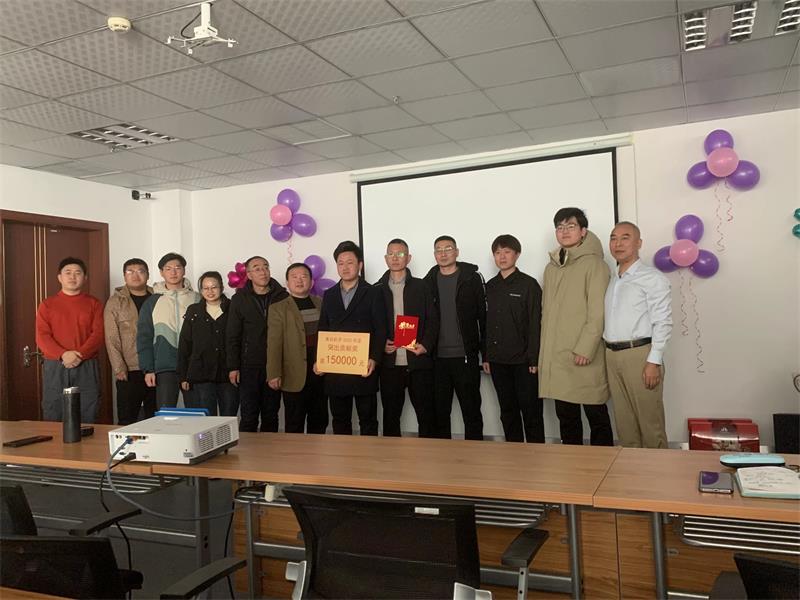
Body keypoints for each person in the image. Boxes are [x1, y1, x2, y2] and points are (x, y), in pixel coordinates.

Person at [539, 208, 613, 446]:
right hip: (557, 355)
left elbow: (598, 312)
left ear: (583, 231)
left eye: (570, 226)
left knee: (595, 413)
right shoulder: (552, 267)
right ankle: (571, 463)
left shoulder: (595, 264)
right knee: (566, 417)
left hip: (582, 354)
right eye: (560, 227)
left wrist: (585, 348)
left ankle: (603, 462)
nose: (564, 232)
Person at [604, 222, 673, 448]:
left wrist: (654, 361)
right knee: (625, 425)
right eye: (613, 238)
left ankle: (657, 470)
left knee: (650, 424)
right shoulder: (613, 279)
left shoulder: (652, 278)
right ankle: (630, 470)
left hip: (640, 355)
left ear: (639, 243)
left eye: (625, 238)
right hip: (612, 355)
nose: (618, 244)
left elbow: (663, 322)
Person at [316, 241, 386, 436]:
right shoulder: (329, 294)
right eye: (340, 263)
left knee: (368, 420)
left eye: (350, 262)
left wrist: (374, 358)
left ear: (360, 265)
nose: (345, 267)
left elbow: (381, 329)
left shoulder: (373, 292)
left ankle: (368, 456)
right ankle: (343, 456)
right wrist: (320, 359)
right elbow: (323, 328)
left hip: (363, 365)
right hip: (336, 368)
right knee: (340, 420)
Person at [423, 235, 486, 441]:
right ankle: (443, 456)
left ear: (456, 252)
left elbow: (483, 317)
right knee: (440, 413)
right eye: (439, 250)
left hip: (466, 357)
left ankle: (474, 452)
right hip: (437, 359)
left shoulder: (472, 278)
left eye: (448, 249)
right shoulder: (428, 282)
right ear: (434, 255)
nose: (443, 253)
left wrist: (485, 354)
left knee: (471, 411)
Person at [483, 235, 544, 443]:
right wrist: (487, 356)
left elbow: (535, 323)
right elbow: (486, 324)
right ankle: (514, 452)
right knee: (507, 411)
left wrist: (534, 358)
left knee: (531, 411)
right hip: (498, 361)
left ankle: (536, 451)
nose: (502, 257)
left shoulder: (529, 284)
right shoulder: (490, 286)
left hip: (524, 362)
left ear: (517, 254)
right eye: (497, 252)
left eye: (507, 252)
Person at [375, 239, 439, 437]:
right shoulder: (376, 289)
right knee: (391, 416)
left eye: (400, 254)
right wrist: (380, 345)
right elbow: (371, 325)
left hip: (418, 361)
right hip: (390, 364)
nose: (395, 258)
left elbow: (433, 319)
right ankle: (391, 454)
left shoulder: (422, 286)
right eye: (391, 254)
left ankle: (427, 454)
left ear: (408, 258)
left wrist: (425, 345)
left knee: (426, 415)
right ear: (386, 258)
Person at [35, 257, 104, 423]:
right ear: (59, 277)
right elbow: (42, 336)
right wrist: (63, 354)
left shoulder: (94, 303)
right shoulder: (47, 304)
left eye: (77, 273)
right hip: (55, 365)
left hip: (86, 364)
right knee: (54, 411)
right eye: (68, 273)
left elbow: (99, 334)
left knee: (88, 411)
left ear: (85, 278)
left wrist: (79, 354)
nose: (73, 277)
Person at [226, 256, 288, 432]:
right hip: (248, 366)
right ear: (249, 274)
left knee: (271, 414)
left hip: (274, 364)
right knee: (249, 414)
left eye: (266, 267)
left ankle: (270, 449)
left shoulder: (282, 296)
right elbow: (232, 335)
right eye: (257, 268)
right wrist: (233, 367)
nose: (263, 272)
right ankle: (249, 450)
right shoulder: (239, 299)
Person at [267, 263, 327, 434]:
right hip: (293, 373)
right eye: (294, 277)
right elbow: (274, 343)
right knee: (294, 423)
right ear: (287, 282)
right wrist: (273, 373)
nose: (299, 280)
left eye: (304, 276)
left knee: (319, 420)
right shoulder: (278, 308)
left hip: (320, 371)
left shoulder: (321, 303)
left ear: (311, 282)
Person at [136, 252, 200, 409]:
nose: (173, 272)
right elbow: (144, 337)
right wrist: (148, 369)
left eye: (178, 267)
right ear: (161, 272)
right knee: (166, 414)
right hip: (165, 366)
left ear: (184, 270)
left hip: (194, 366)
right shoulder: (152, 302)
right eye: (168, 268)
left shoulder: (198, 299)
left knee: (198, 414)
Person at [177, 271, 239, 417]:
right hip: (201, 374)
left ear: (221, 288)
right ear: (201, 290)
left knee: (228, 417)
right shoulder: (194, 311)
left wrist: (236, 367)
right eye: (205, 288)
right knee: (206, 419)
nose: (210, 291)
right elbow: (185, 344)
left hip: (228, 373)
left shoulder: (233, 308)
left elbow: (239, 340)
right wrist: (183, 376)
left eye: (214, 287)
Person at [104, 258, 155, 425]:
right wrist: (119, 367)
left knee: (157, 417)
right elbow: (111, 337)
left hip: (156, 366)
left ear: (148, 275)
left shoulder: (158, 297)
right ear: (124, 276)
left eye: (140, 271)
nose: (135, 275)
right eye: (130, 272)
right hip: (129, 368)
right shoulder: (115, 302)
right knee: (127, 418)